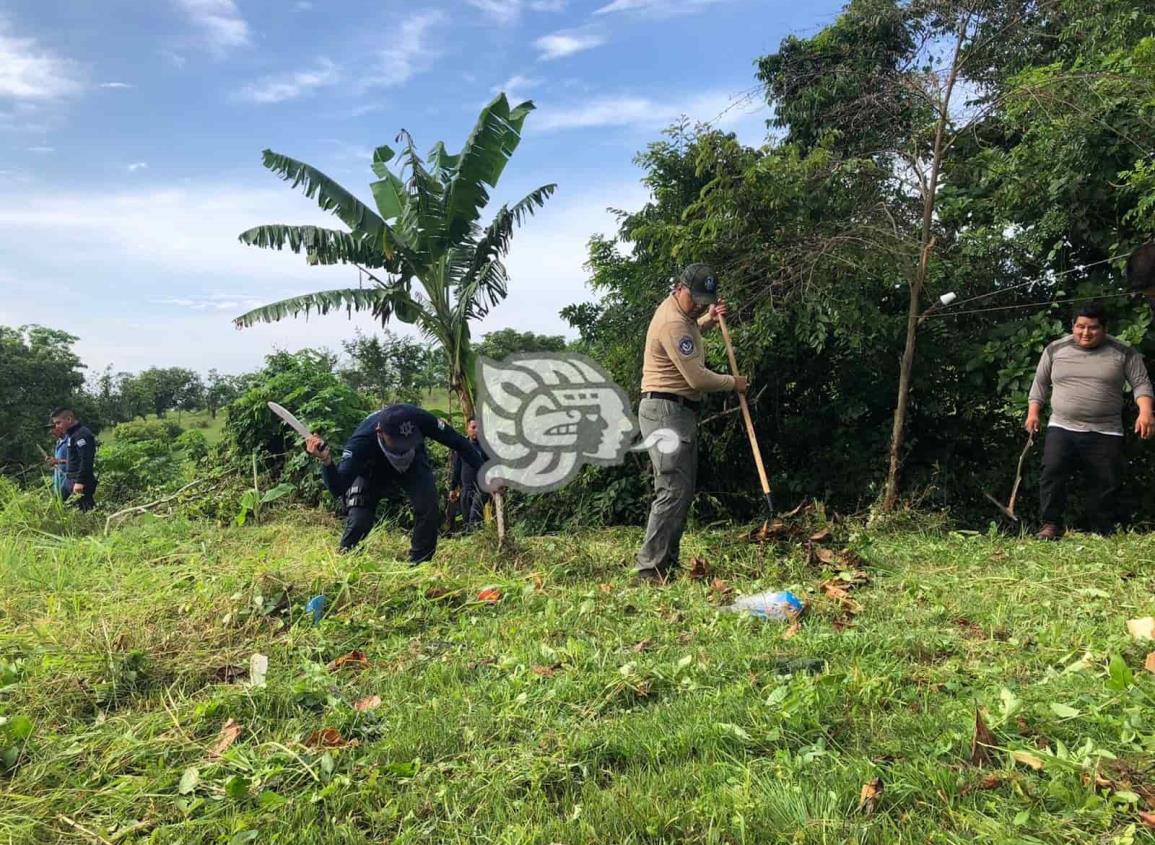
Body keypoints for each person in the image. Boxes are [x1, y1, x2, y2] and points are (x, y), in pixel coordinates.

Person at [636, 263, 748, 583]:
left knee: (680, 492)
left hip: (676, 413)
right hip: (666, 413)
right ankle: (650, 570)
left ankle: (665, 564)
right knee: (672, 491)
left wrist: (707, 321)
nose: (700, 304)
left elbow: (689, 332)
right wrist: (733, 383)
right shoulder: (673, 322)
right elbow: (696, 377)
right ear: (680, 287)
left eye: (705, 300)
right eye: (696, 298)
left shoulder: (682, 315)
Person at [1026, 303, 1154, 539]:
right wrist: (1033, 412)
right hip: (1062, 425)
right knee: (1052, 473)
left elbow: (1141, 384)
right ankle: (1051, 525)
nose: (1085, 333)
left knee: (1105, 480)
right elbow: (1040, 384)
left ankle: (1101, 529)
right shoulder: (1055, 349)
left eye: (1093, 328)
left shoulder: (1123, 352)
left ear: (1104, 328)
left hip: (1106, 429)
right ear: (1072, 326)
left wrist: (1145, 412)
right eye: (1080, 327)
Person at [304, 404, 483, 562]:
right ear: (380, 433)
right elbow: (338, 488)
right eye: (398, 443)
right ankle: (345, 557)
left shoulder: (420, 418)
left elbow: (460, 443)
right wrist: (326, 461)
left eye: (408, 440)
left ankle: (420, 564)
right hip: (372, 468)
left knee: (428, 506)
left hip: (413, 463)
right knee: (360, 519)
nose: (403, 446)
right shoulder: (361, 443)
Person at [48, 407, 98, 511]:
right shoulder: (72, 435)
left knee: (86, 509)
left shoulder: (81, 435)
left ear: (69, 419)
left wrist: (80, 482)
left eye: (58, 423)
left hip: (80, 480)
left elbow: (86, 460)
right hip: (69, 479)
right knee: (56, 505)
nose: (56, 427)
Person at [449, 417, 488, 532]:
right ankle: (477, 542)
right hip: (466, 488)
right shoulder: (461, 446)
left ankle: (477, 537)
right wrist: (453, 488)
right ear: (467, 429)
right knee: (467, 521)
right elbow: (457, 468)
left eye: (479, 428)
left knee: (474, 516)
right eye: (473, 427)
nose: (476, 430)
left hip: (481, 488)